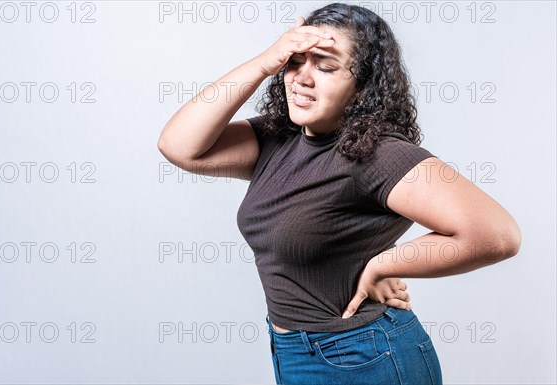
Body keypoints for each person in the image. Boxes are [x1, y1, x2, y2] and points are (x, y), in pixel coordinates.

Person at [158, 3, 521, 384]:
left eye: (326, 67)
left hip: (363, 355)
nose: (302, 78)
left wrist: (384, 264)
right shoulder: (277, 138)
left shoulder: (379, 154)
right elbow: (180, 146)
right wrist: (265, 61)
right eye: (295, 62)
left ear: (362, 85)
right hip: (294, 351)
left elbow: (496, 235)